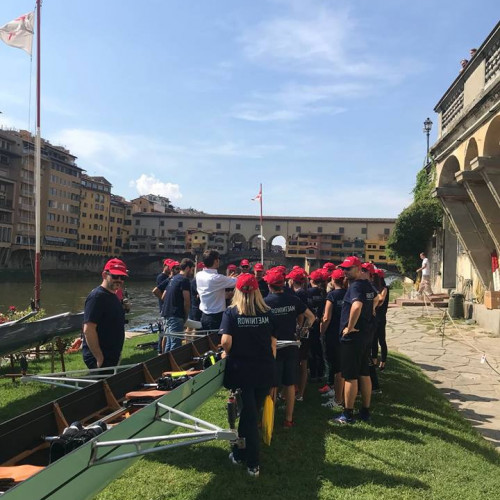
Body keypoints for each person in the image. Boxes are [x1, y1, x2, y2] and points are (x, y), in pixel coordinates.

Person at [220, 273, 277, 478]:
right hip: (264, 369)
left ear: (237, 291)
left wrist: (227, 352)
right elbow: (273, 344)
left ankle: (253, 463)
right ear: (257, 291)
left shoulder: (231, 313)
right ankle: (239, 452)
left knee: (250, 417)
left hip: (242, 371)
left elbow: (225, 342)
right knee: (248, 414)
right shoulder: (268, 312)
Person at [264, 269, 315, 426]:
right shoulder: (293, 299)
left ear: (269, 285)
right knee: (290, 383)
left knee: (272, 384)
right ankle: (288, 419)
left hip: (274, 346)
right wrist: (301, 332)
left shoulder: (265, 302)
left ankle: (269, 419)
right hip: (291, 345)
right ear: (283, 284)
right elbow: (311, 317)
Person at [335, 256, 379, 424]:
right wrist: (372, 309)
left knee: (350, 376)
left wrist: (349, 326)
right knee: (364, 373)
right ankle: (365, 410)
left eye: (349, 269)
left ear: (359, 269)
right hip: (366, 334)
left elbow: (357, 305)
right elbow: (377, 298)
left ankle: (347, 414)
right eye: (344, 268)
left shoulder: (355, 286)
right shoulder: (367, 284)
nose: (345, 271)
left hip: (353, 337)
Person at [82, 258, 128, 369]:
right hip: (102, 357)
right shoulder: (97, 297)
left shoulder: (113, 296)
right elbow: (88, 329)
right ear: (104, 275)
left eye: (122, 277)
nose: (119, 280)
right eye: (115, 276)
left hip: (112, 354)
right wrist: (99, 357)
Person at [320, 269, 346, 409]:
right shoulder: (348, 293)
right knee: (339, 366)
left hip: (333, 334)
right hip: (344, 333)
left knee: (337, 368)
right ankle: (336, 391)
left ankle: (338, 399)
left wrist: (322, 331)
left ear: (333, 280)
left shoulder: (332, 295)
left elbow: (326, 317)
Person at [196, 250, 237, 330]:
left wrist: (226, 279)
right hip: (216, 317)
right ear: (215, 261)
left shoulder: (199, 275)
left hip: (204, 315)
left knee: (206, 338)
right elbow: (237, 282)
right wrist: (229, 279)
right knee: (217, 338)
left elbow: (216, 284)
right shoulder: (216, 278)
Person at [161, 258, 195, 352]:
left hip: (166, 313)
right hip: (176, 315)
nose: (192, 273)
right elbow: (187, 300)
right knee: (176, 344)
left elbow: (163, 296)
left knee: (169, 343)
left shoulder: (173, 278)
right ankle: (174, 361)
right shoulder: (184, 280)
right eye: (192, 270)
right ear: (187, 268)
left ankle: (166, 360)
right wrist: (186, 316)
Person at [372, 268, 389, 371]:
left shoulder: (384, 289)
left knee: (381, 340)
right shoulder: (373, 287)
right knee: (374, 340)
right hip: (375, 317)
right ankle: (374, 361)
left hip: (381, 317)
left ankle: (383, 362)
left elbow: (381, 300)